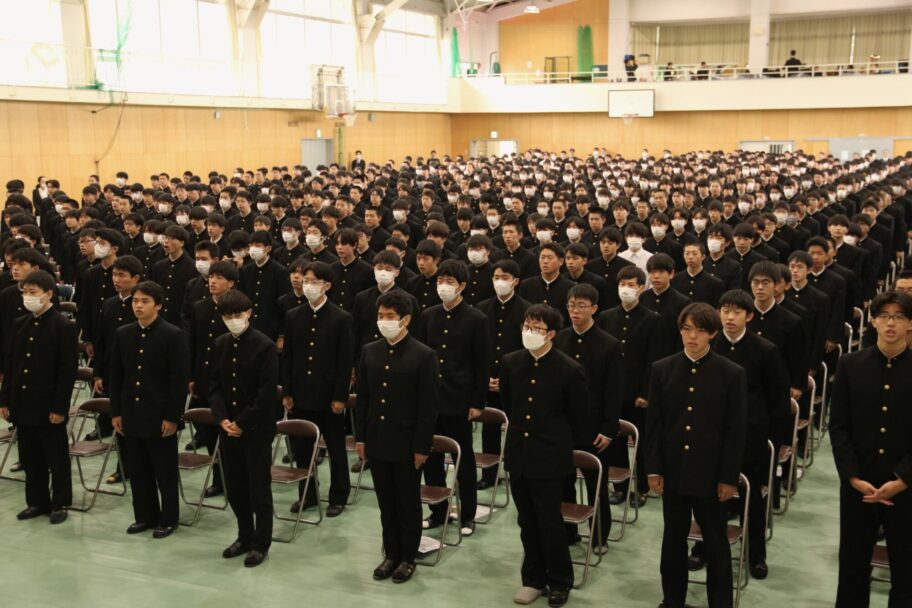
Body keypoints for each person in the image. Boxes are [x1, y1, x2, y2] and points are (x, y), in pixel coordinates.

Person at [647, 302, 747, 608]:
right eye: (687, 329)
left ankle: (721, 602)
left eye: (700, 331)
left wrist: (728, 477)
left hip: (711, 474)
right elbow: (654, 424)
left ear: (713, 334)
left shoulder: (731, 373)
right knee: (673, 539)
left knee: (715, 543)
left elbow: (735, 430)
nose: (692, 336)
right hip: (674, 471)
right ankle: (672, 599)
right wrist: (653, 469)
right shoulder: (662, 369)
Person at [500, 303, 591, 607]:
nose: (529, 332)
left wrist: (558, 445)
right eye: (527, 326)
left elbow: (579, 417)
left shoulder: (569, 369)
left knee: (550, 522)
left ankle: (560, 580)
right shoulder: (511, 362)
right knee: (526, 520)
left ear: (551, 334)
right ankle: (533, 579)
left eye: (537, 328)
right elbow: (509, 405)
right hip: (519, 453)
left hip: (550, 456)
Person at [830, 290, 912, 607]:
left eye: (899, 316)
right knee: (852, 566)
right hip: (858, 484)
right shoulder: (850, 365)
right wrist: (852, 476)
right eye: (884, 316)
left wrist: (902, 480)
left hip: (905, 486)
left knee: (905, 570)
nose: (891, 323)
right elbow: (839, 426)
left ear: (909, 324)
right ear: (873, 321)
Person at [355, 290, 439, 584]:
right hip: (377, 439)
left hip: (407, 442)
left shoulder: (423, 355)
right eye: (380, 316)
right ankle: (390, 554)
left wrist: (421, 446)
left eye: (390, 316)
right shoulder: (369, 351)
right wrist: (361, 438)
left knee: (407, 503)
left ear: (405, 320)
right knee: (386, 502)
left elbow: (428, 406)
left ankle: (407, 558)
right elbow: (364, 400)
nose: (384, 321)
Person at [415, 259, 491, 536]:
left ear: (461, 286)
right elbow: (421, 356)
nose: (443, 286)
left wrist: (477, 402)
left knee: (463, 459)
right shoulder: (428, 315)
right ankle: (438, 511)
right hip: (431, 399)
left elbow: (481, 364)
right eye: (440, 281)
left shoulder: (476, 318)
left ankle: (467, 515)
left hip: (459, 399)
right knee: (431, 457)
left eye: (449, 282)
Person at [109, 281, 191, 539]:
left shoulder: (173, 335)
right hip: (131, 413)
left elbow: (178, 381)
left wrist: (172, 417)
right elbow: (116, 376)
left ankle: (168, 518)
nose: (138, 306)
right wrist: (116, 412)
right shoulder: (123, 333)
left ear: (158, 305)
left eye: (145, 301)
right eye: (135, 301)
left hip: (159, 415)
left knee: (164, 471)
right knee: (138, 469)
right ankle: (144, 516)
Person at [0, 270, 78, 524]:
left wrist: (59, 407)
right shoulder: (20, 324)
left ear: (48, 294)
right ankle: (37, 501)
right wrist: (5, 400)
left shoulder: (63, 326)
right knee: (30, 455)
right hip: (23, 401)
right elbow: (11, 365)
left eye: (33, 292)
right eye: (25, 292)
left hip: (48, 403)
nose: (27, 296)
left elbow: (66, 372)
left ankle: (60, 502)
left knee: (56, 457)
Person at [208, 289, 278, 568]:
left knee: (258, 488)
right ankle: (244, 535)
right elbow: (214, 385)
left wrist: (242, 422)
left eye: (237, 314)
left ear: (249, 313)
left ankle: (261, 543)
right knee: (236, 487)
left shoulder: (264, 345)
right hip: (228, 428)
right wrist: (222, 418)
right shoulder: (221, 343)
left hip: (255, 429)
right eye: (227, 316)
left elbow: (266, 393)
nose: (232, 320)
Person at [281, 261, 354, 517]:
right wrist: (287, 391)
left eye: (313, 281)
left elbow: (345, 362)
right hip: (301, 392)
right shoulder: (294, 315)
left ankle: (339, 495)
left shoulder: (341, 318)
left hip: (328, 394)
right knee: (302, 448)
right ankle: (308, 494)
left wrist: (340, 396)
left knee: (335, 447)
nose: (308, 285)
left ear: (327, 286)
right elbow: (288, 357)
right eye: (306, 280)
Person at [554, 284, 622, 550]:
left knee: (597, 486)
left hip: (595, 428)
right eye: (571, 305)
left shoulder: (609, 344)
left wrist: (608, 429)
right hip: (564, 426)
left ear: (594, 308)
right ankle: (568, 532)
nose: (575, 311)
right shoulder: (559, 339)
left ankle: (599, 536)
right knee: (563, 482)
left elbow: (613, 392)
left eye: (581, 306)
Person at [92, 255, 143, 484]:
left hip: (136, 373)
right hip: (113, 372)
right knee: (119, 421)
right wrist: (98, 373)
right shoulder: (109, 304)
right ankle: (123, 467)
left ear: (136, 278)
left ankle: (140, 467)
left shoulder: (142, 304)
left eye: (122, 275)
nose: (116, 279)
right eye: (114, 274)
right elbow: (101, 341)